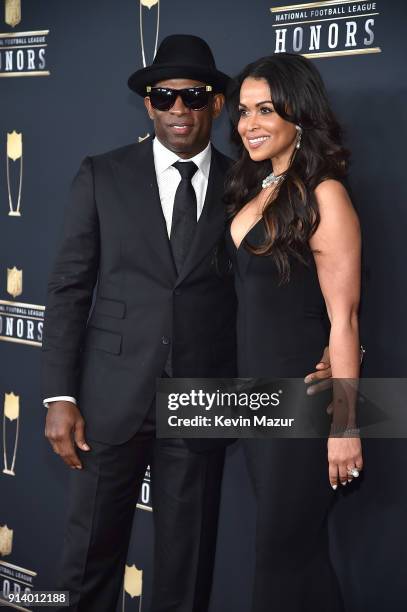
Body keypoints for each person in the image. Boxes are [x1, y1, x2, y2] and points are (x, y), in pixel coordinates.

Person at [41, 35, 332, 611]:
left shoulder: (248, 185)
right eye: (165, 97)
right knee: (86, 565)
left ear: (217, 104)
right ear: (148, 104)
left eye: (194, 96)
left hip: (204, 397)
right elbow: (69, 289)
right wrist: (57, 395)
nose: (179, 109)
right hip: (110, 398)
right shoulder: (102, 174)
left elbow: (297, 277)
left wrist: (329, 349)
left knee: (187, 568)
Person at [224, 53, 363, 612]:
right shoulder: (257, 187)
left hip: (304, 404)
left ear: (298, 114)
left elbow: (344, 317)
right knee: (292, 557)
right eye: (241, 112)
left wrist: (347, 425)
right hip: (255, 399)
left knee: (282, 559)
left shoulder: (324, 194)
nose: (248, 124)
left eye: (264, 110)